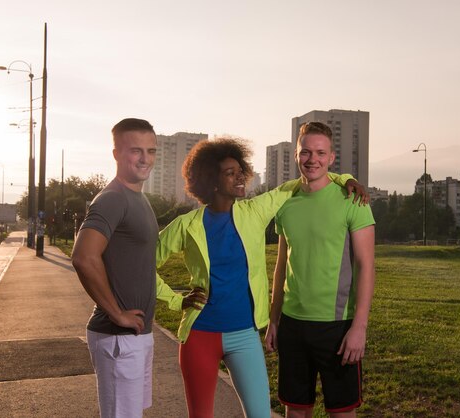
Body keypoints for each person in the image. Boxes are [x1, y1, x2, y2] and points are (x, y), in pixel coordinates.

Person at [155, 138, 368, 418]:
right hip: (199, 336)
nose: (240, 176)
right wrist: (175, 300)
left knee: (260, 414)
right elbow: (142, 265)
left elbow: (301, 181)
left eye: (240, 170)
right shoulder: (185, 225)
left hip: (244, 336)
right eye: (230, 173)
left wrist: (346, 178)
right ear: (211, 181)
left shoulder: (254, 211)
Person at [265, 122, 376, 418]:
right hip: (292, 324)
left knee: (341, 412)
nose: (312, 159)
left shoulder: (353, 200)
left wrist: (359, 327)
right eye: (306, 152)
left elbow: (366, 266)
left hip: (337, 326)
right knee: (296, 410)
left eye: (320, 153)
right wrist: (274, 319)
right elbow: (280, 265)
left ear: (331, 157)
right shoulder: (285, 202)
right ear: (296, 155)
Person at [71, 118, 172, 418]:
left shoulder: (138, 198)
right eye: (135, 150)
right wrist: (116, 313)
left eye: (151, 151)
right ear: (116, 154)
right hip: (117, 336)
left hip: (136, 336)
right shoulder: (113, 198)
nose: (145, 159)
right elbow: (83, 256)